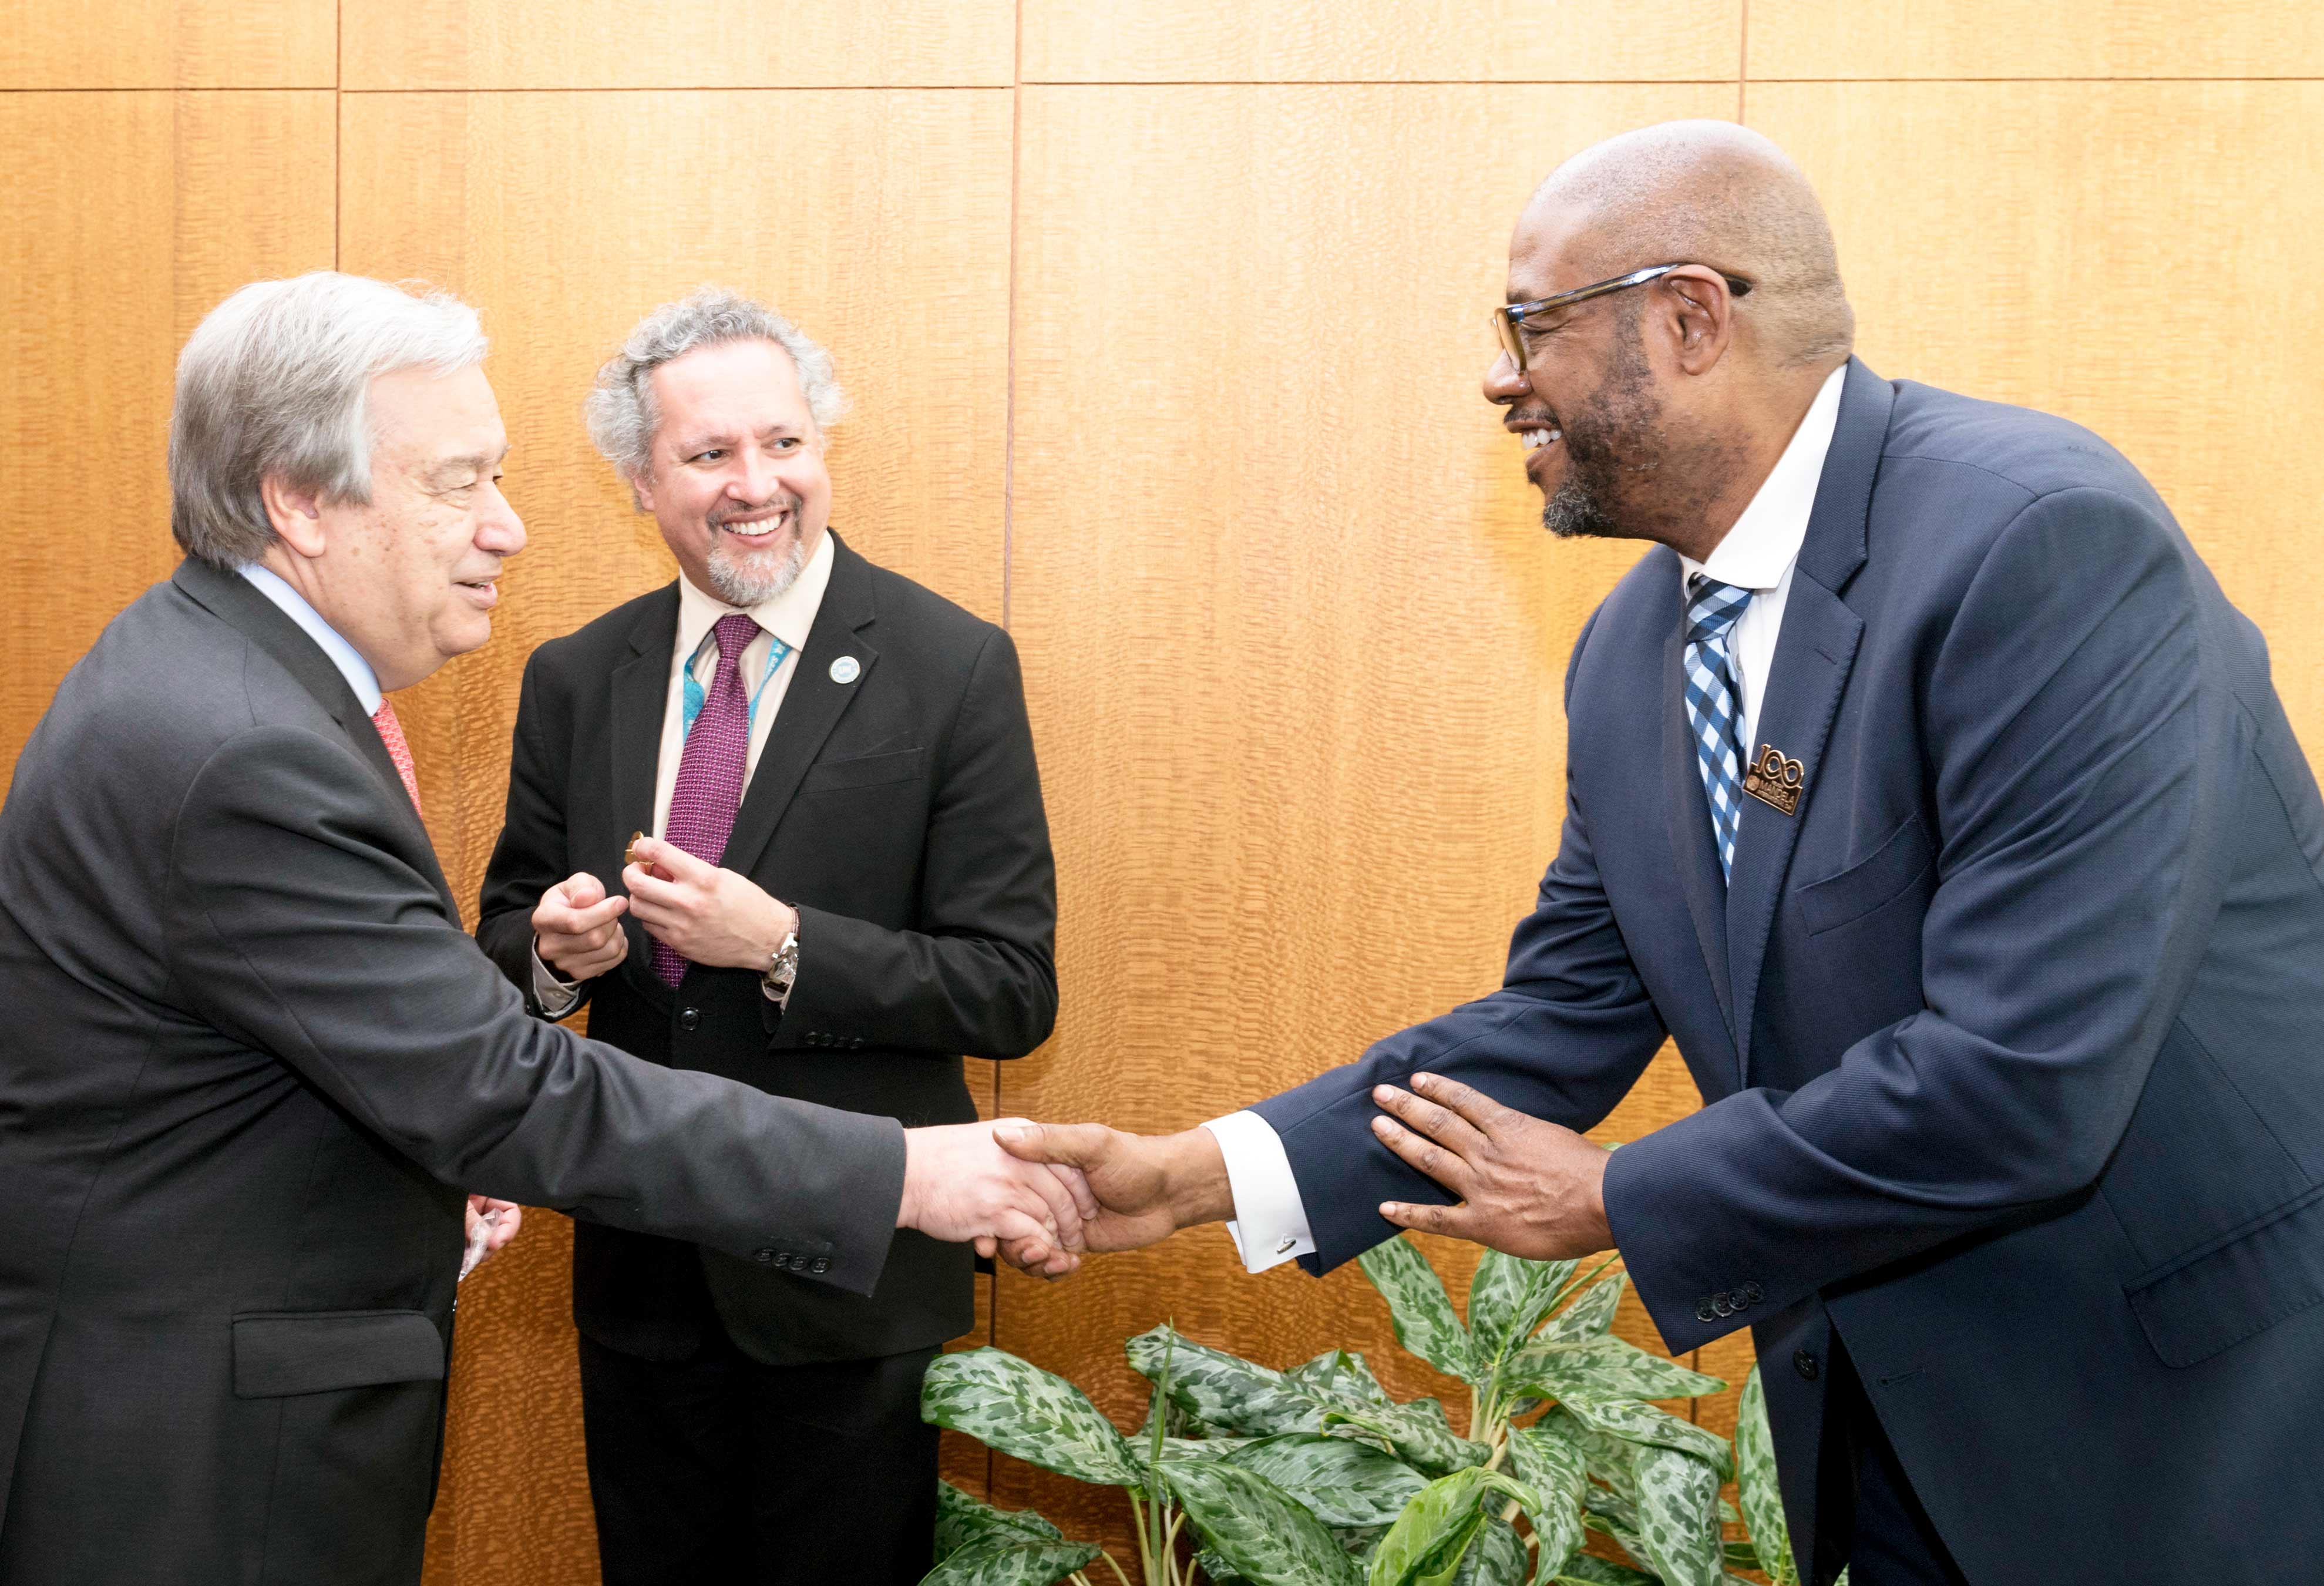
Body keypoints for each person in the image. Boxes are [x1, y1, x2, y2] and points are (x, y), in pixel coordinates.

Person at [1001, 122, 2324, 1582]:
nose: (1501, 378)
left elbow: (2027, 1076)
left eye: (1530, 326)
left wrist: (1615, 1198)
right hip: (1890, 1436)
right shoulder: (1632, 651)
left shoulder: (2039, 545)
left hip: (2177, 1423)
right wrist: (1194, 1176)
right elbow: (1561, 1015)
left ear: (1690, 316)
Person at [0, 272, 1084, 1586]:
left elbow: (336, 1042)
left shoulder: (216, 681)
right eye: (459, 483)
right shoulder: (251, 740)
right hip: (197, 1443)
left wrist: (780, 948)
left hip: (810, 1325)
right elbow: (489, 1067)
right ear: (298, 499)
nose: (506, 529)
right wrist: (904, 1175)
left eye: (784, 441)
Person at [473, 287, 1058, 1586]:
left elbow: (1012, 990)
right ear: (640, 481)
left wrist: (781, 942)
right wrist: (553, 959)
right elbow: (503, 936)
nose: (757, 485)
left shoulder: (949, 664)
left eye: (784, 444)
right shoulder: (576, 675)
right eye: (709, 454)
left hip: (844, 1284)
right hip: (642, 1273)